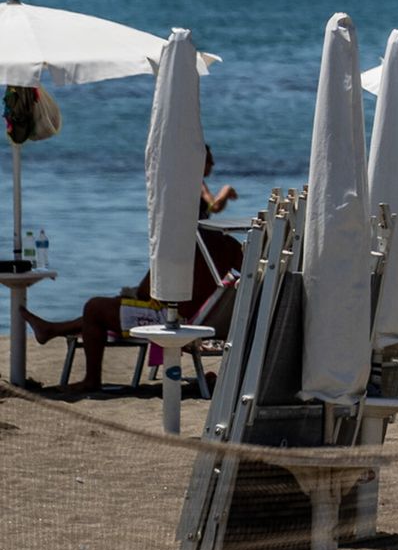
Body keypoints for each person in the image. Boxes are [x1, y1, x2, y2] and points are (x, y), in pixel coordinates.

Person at [24, 147, 243, 392]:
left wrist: (133, 295)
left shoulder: (180, 244)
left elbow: (147, 291)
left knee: (94, 308)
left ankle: (90, 378)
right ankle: (52, 329)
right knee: (111, 307)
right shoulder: (229, 245)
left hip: (170, 321)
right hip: (201, 319)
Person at [201, 145, 237, 218]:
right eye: (209, 160)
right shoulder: (199, 184)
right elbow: (214, 206)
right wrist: (226, 190)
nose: (212, 164)